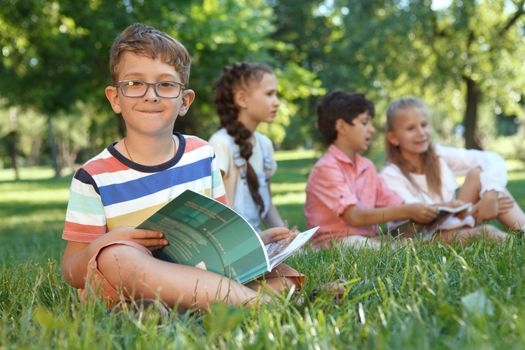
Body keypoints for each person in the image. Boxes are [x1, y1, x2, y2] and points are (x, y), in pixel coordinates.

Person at [61, 23, 296, 312]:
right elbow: (71, 271)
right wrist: (105, 243)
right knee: (115, 257)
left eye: (166, 84)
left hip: (202, 272)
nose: (151, 95)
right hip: (127, 287)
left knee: (285, 274)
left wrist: (255, 242)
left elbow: (218, 237)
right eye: (135, 84)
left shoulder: (202, 155)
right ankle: (257, 304)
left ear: (184, 101)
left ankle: (195, 306)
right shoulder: (93, 176)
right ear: (115, 99)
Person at [209, 62, 307, 291]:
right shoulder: (221, 143)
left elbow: (267, 203)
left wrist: (285, 235)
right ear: (242, 99)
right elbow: (223, 212)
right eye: (269, 94)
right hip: (232, 246)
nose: (277, 102)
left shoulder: (264, 145)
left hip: (259, 243)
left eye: (277, 94)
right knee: (287, 285)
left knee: (294, 282)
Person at [304, 91, 438, 249]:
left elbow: (396, 202)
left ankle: (424, 242)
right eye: (364, 122)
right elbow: (353, 216)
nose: (372, 130)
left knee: (416, 227)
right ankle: (420, 245)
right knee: (396, 244)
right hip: (335, 243)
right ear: (341, 126)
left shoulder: (367, 166)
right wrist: (408, 211)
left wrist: (439, 209)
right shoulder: (326, 168)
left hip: (366, 240)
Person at [381, 97, 525, 243]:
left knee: (480, 176)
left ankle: (523, 230)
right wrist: (469, 209)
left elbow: (492, 159)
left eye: (424, 125)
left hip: (453, 220)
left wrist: (490, 196)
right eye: (411, 128)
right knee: (488, 232)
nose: (421, 132)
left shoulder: (438, 155)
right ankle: (516, 243)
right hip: (422, 237)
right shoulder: (390, 175)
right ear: (393, 138)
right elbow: (416, 215)